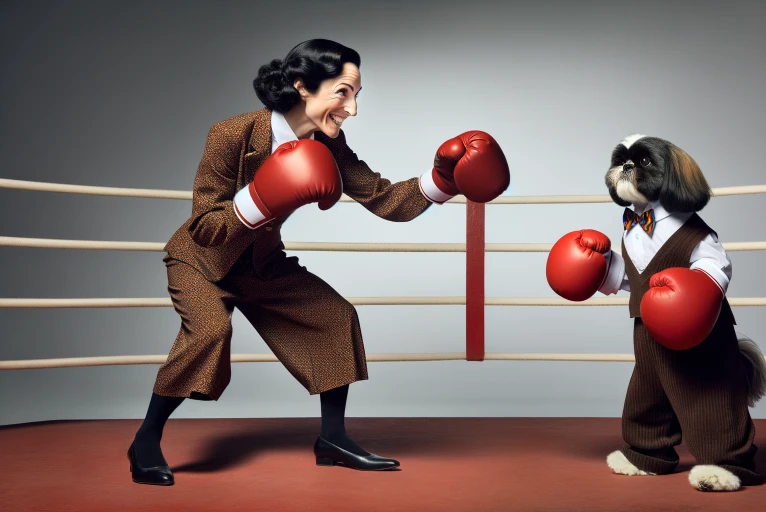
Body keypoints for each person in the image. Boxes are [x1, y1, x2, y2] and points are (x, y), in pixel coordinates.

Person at [127, 38, 510, 485]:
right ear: (302, 85)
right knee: (211, 332)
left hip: (261, 265)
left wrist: (444, 178)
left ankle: (333, 439)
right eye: (343, 92)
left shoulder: (329, 144)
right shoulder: (232, 134)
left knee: (334, 316)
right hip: (200, 261)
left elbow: (385, 199)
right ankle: (146, 439)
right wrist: (260, 198)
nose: (352, 109)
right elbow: (204, 227)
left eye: (357, 95)